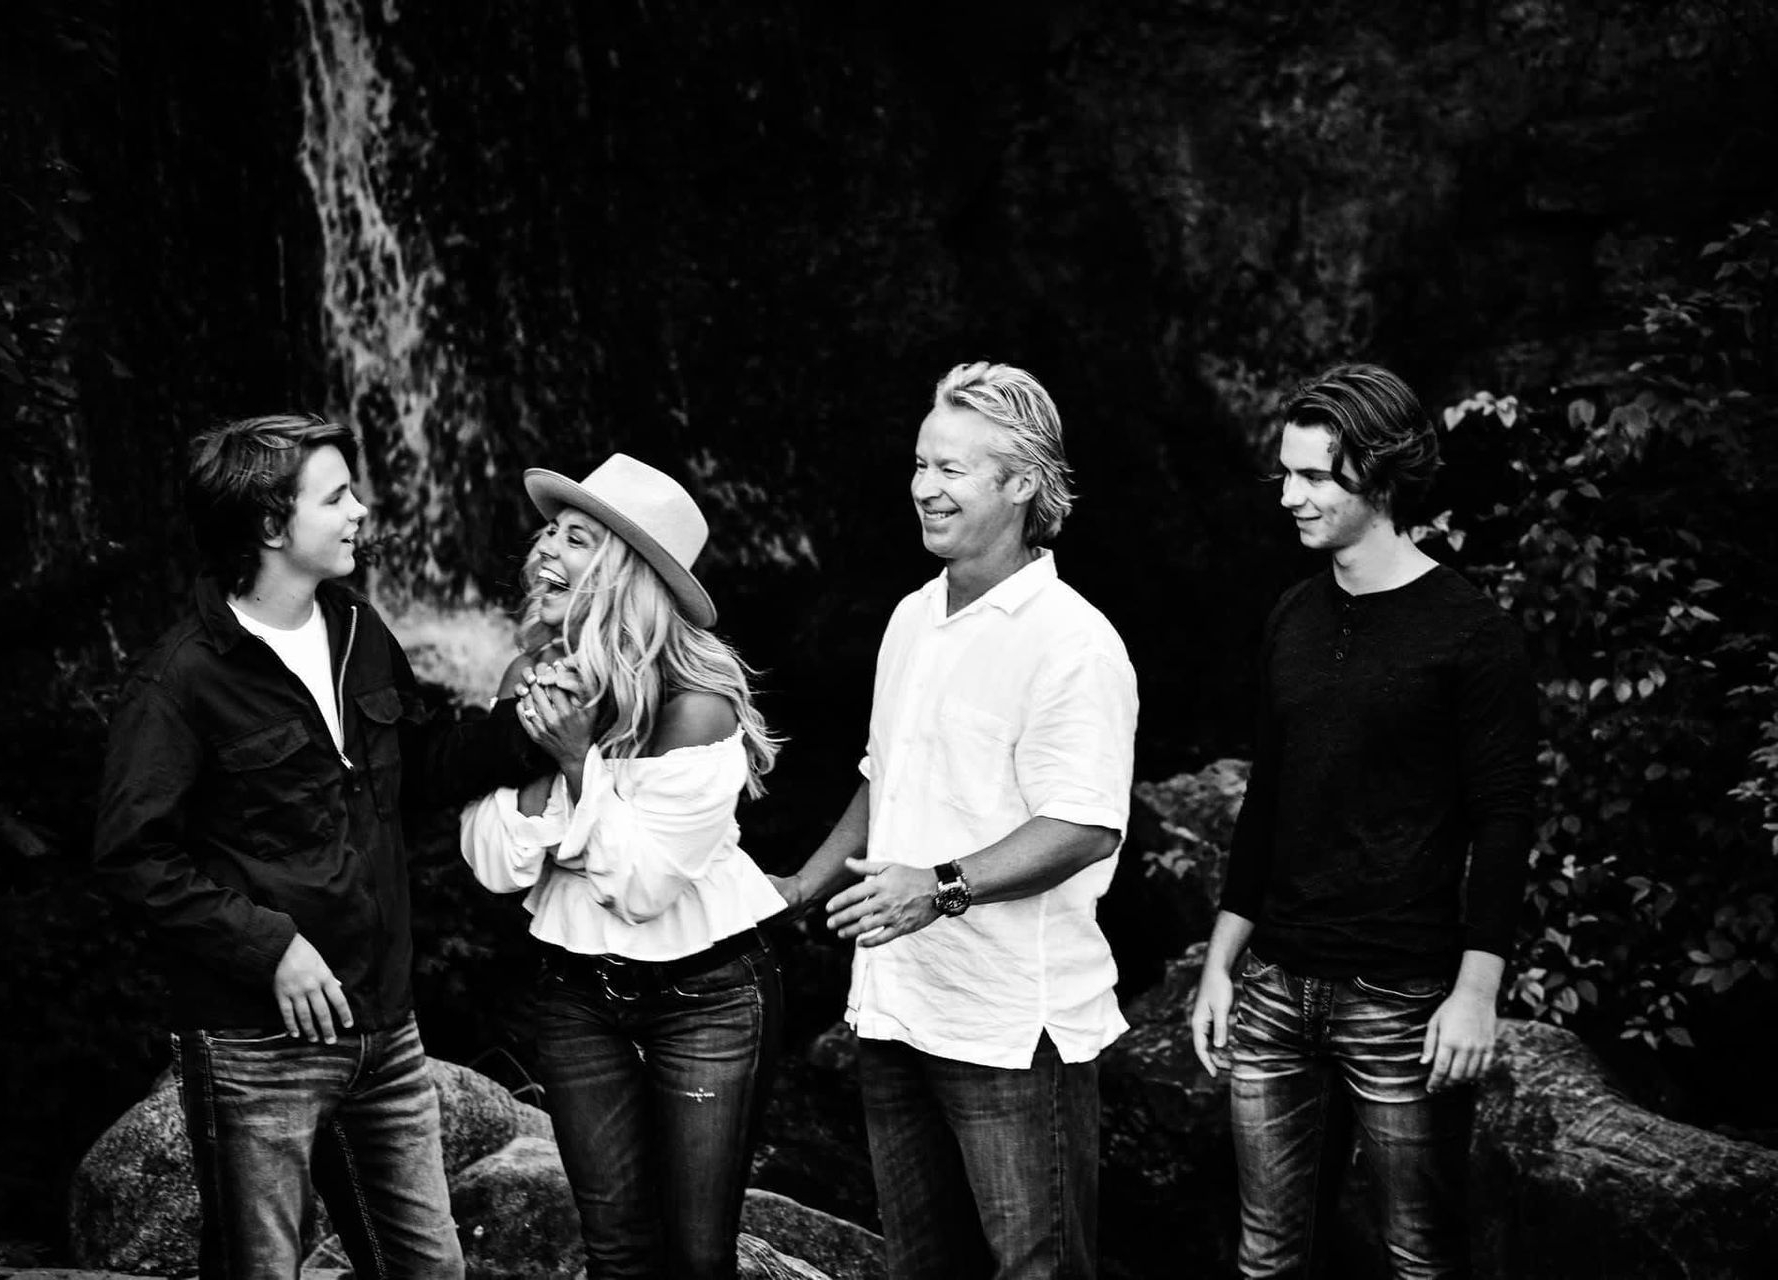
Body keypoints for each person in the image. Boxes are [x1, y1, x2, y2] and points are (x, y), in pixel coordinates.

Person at [94, 414, 551, 1280]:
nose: (361, 511)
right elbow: (132, 856)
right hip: (256, 1046)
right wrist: (269, 948)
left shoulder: (356, 630)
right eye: (336, 496)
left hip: (383, 1025)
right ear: (270, 525)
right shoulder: (181, 678)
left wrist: (527, 734)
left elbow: (415, 768)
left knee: (429, 1270)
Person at [773, 362, 1139, 1279]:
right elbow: (883, 776)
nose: (924, 489)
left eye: (952, 471)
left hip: (1011, 1027)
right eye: (921, 464)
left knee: (1036, 1270)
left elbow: (1086, 825)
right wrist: (802, 885)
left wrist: (938, 888)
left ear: (1022, 485)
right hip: (898, 1008)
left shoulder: (1073, 641)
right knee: (921, 1266)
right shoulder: (910, 617)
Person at [1188, 364, 1538, 1278]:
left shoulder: (1472, 633)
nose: (1290, 498)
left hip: (1401, 996)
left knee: (1418, 1258)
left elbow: (1505, 821)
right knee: (1265, 1257)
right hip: (1272, 989)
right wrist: (1221, 963)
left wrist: (1476, 989)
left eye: (1313, 477)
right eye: (1285, 476)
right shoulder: (1293, 616)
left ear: (1378, 475)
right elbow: (1269, 798)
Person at [458, 453, 786, 1280]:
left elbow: (642, 889)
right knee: (615, 1252)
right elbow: (494, 864)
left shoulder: (694, 706)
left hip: (706, 997)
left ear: (626, 573)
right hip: (575, 993)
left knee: (698, 1256)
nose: (544, 551)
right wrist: (539, 747)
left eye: (576, 538)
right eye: (548, 532)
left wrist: (576, 762)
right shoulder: (526, 676)